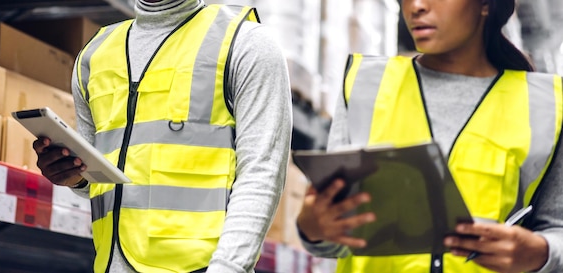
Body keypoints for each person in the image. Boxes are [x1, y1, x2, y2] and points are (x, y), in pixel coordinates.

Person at [296, 0, 563, 272]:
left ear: (485, 4)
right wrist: (313, 229)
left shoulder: (544, 106)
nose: (416, 6)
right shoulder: (366, 85)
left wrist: (541, 253)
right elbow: (336, 236)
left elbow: (558, 227)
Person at [33, 0, 292, 272]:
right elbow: (101, 178)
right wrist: (74, 176)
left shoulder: (245, 44)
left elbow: (262, 173)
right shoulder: (94, 56)